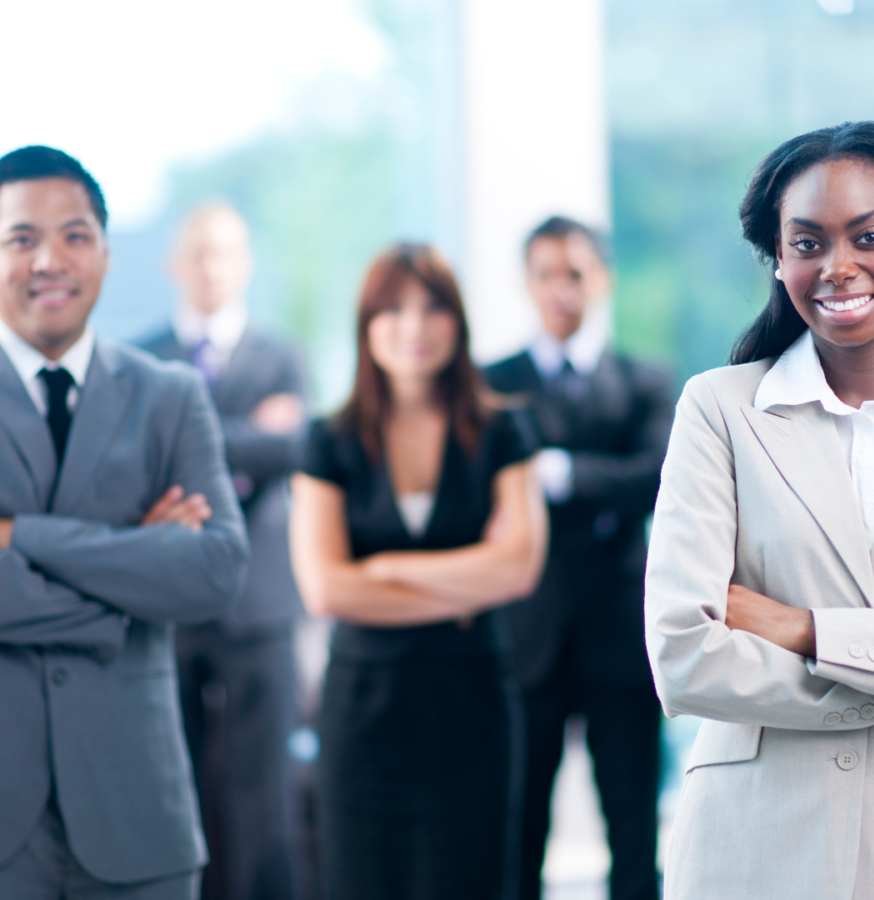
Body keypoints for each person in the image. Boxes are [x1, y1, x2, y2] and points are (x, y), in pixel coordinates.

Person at [646, 120, 874, 900]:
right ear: (778, 260)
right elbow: (684, 654)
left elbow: (745, 643)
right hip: (751, 844)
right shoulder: (719, 409)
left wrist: (804, 629)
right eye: (807, 243)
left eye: (870, 235)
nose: (839, 266)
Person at [0, 146, 248, 898]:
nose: (51, 259)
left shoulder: (169, 394)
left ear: (107, 254)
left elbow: (215, 572)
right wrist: (137, 570)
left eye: (75, 236)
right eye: (21, 239)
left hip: (140, 817)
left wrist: (22, 538)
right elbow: (170, 574)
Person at [291, 243, 547, 900]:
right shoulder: (329, 439)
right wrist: (464, 582)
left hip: (471, 703)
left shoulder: (503, 431)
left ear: (457, 323)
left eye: (432, 308)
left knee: (473, 879)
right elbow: (324, 587)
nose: (413, 327)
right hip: (363, 707)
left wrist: (384, 569)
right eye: (392, 310)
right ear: (366, 326)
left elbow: (518, 569)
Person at [484, 216, 672, 900]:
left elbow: (660, 479)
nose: (562, 289)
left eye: (576, 273)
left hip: (619, 635)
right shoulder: (490, 382)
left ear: (604, 279)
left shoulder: (647, 378)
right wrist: (607, 478)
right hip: (523, 632)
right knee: (515, 829)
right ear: (525, 283)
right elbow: (482, 490)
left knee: (631, 827)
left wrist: (558, 473)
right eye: (546, 274)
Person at [140, 203, 307, 900]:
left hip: (261, 600)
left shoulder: (282, 355)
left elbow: (293, 447)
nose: (211, 267)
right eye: (197, 253)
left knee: (264, 793)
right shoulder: (141, 358)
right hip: (168, 601)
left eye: (224, 252)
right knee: (170, 786)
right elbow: (138, 464)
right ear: (174, 264)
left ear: (246, 264)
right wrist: (244, 441)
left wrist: (192, 442)